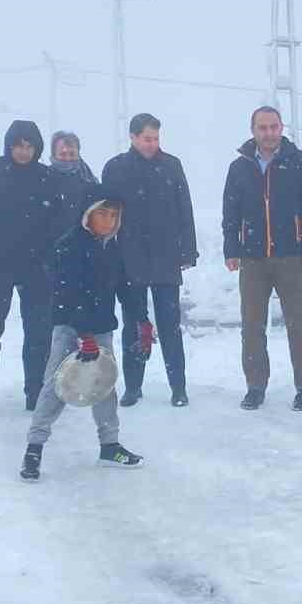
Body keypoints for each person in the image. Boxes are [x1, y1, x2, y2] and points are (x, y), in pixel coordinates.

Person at [21, 191, 143, 481]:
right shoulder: (70, 247)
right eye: (103, 214)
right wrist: (83, 335)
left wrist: (142, 321)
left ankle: (109, 446)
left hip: (101, 329)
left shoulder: (111, 247)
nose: (109, 220)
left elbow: (125, 287)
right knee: (56, 386)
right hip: (70, 329)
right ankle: (34, 448)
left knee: (104, 384)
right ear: (88, 215)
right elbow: (67, 294)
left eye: (114, 216)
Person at [0, 120, 61, 414]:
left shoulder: (48, 178)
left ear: (37, 148)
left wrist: (45, 249)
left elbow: (60, 219)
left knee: (38, 332)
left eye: (29, 146)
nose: (23, 151)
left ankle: (34, 392)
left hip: (36, 267)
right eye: (19, 145)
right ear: (9, 145)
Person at [222, 106, 302, 412]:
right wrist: (231, 248)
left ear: (281, 128)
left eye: (274, 127)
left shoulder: (299, 162)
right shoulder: (239, 168)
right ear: (253, 130)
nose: (269, 133)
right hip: (252, 259)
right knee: (252, 325)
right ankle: (255, 385)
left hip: (290, 255)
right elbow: (230, 213)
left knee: (297, 323)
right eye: (262, 128)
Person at [101, 113, 198, 408]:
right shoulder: (116, 168)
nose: (152, 144)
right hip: (129, 259)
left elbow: (185, 208)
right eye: (146, 139)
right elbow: (105, 214)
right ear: (132, 137)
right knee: (134, 324)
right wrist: (107, 253)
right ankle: (133, 386)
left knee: (170, 325)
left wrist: (188, 250)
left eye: (156, 138)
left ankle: (178, 387)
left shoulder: (171, 165)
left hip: (166, 257)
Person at [48, 130, 98, 231]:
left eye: (72, 154)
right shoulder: (45, 179)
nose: (67, 158)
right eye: (62, 154)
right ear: (54, 154)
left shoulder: (89, 180)